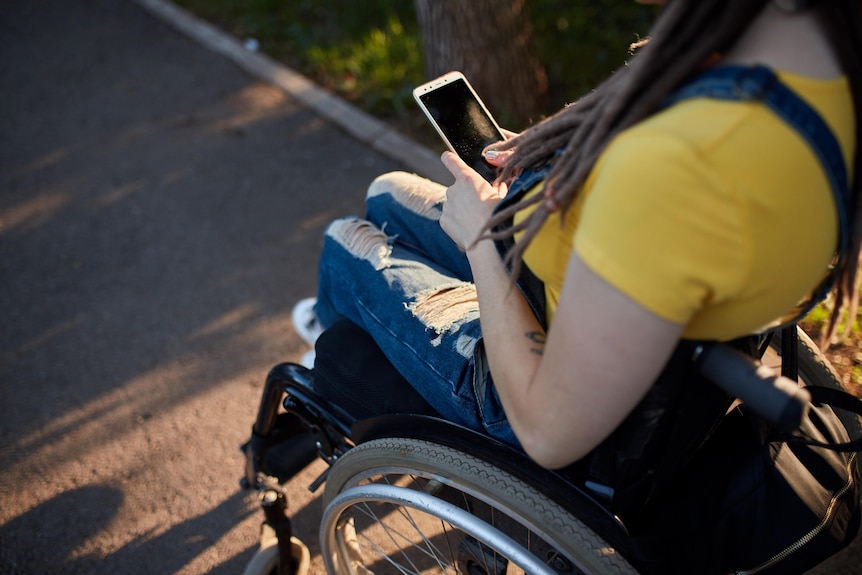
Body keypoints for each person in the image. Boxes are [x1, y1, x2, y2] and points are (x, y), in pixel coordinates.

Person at [292, 0, 862, 470]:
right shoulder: (820, 88)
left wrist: (483, 242)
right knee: (387, 191)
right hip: (594, 292)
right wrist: (560, 166)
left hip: (530, 381)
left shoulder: (677, 171)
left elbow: (546, 432)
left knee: (348, 242)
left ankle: (329, 347)